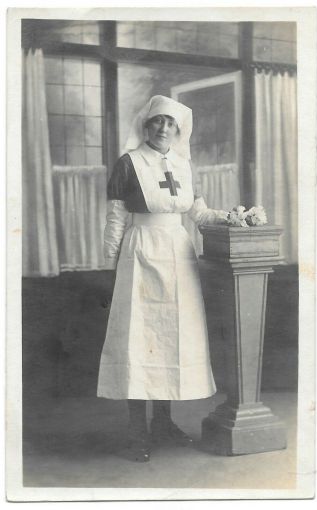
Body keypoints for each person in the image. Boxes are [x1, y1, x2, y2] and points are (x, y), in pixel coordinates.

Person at [97, 95, 229, 462]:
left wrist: (232, 217)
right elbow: (116, 218)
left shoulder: (185, 165)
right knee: (139, 339)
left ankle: (164, 423)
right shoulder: (130, 163)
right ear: (147, 125)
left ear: (179, 129)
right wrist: (110, 263)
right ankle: (137, 432)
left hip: (178, 255)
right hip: (140, 253)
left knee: (170, 338)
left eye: (171, 124)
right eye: (158, 122)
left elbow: (198, 213)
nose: (164, 129)